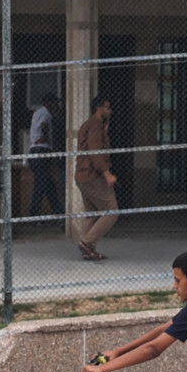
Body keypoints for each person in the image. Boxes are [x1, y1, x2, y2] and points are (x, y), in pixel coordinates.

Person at [74, 95, 117, 260]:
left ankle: (88, 250)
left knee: (92, 214)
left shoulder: (92, 125)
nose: (110, 111)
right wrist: (106, 173)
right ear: (99, 108)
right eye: (107, 107)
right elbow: (95, 152)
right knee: (112, 211)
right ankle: (87, 242)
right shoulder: (95, 127)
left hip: (82, 175)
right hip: (93, 176)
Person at [25, 92, 64, 220]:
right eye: (54, 103)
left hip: (35, 151)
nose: (56, 105)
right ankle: (33, 216)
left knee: (49, 185)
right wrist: (46, 138)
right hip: (42, 151)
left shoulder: (37, 112)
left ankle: (58, 212)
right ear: (48, 103)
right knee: (41, 185)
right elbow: (43, 126)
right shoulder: (46, 113)